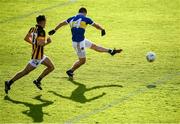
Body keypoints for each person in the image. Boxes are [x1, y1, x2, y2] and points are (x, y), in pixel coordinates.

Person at [49, 7, 122, 79]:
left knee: (94, 46)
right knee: (82, 61)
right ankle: (70, 71)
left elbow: (62, 23)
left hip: (82, 40)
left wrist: (54, 30)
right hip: (78, 43)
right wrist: (102, 29)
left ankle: (110, 51)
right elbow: (96, 25)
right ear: (85, 13)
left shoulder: (71, 18)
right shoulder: (85, 19)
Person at [5, 15, 54, 94]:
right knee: (25, 72)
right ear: (42, 22)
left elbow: (26, 38)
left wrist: (34, 43)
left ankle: (38, 81)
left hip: (40, 55)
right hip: (37, 57)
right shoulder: (41, 31)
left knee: (51, 67)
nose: (46, 23)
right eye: (45, 21)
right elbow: (40, 44)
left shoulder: (33, 28)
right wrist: (48, 42)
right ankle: (9, 82)